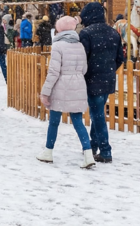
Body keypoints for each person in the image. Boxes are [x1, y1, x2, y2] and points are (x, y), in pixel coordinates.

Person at [37, 16, 95, 169]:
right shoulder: (80, 45)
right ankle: (88, 154)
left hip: (60, 86)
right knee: (78, 122)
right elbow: (84, 69)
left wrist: (45, 92)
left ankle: (48, 152)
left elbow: (54, 71)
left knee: (54, 121)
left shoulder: (57, 46)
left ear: (60, 29)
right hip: (78, 85)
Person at [79, 2, 123, 164]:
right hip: (107, 79)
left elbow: (83, 59)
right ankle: (93, 145)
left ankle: (105, 151)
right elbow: (120, 58)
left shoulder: (86, 34)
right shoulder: (113, 33)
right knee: (97, 113)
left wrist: (87, 73)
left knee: (97, 115)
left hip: (92, 79)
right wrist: (109, 69)